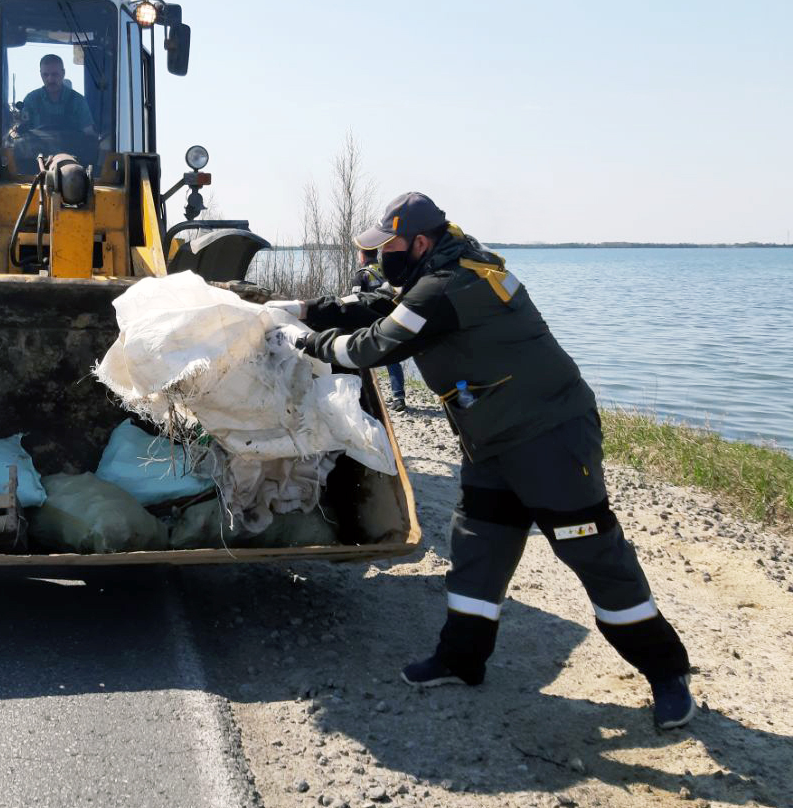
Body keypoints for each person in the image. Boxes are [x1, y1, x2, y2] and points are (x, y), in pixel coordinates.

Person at [275, 191, 695, 729]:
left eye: (389, 246)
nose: (382, 257)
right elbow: (384, 308)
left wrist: (305, 341)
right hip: (493, 441)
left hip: (550, 437)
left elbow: (370, 347)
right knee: (479, 545)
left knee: (592, 551)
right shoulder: (445, 273)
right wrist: (308, 310)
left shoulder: (453, 286)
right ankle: (461, 659)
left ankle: (666, 672)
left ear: (420, 243)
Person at [353, 245, 407, 413]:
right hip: (391, 319)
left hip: (369, 321)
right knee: (392, 358)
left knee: (362, 358)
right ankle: (399, 397)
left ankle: (363, 397)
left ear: (362, 255)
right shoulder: (386, 270)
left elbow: (354, 300)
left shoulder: (361, 274)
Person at [17, 54, 96, 136]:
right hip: (37, 148)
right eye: (45, 75)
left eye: (54, 74)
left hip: (72, 148)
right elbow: (23, 134)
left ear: (63, 73)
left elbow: (89, 134)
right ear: (40, 74)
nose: (50, 79)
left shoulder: (78, 101)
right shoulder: (31, 100)